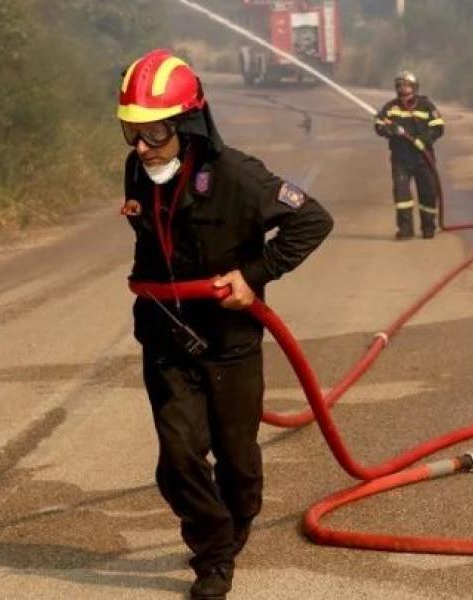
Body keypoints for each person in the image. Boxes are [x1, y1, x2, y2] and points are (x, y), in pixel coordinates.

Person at [118, 49, 333, 599]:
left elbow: (312, 220)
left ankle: (238, 519)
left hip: (230, 342)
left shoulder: (237, 176)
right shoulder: (139, 170)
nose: (142, 146)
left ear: (189, 124)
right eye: (131, 132)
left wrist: (254, 274)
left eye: (155, 132)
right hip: (166, 337)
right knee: (179, 458)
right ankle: (213, 554)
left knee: (237, 460)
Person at [374, 70, 445, 239]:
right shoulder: (391, 107)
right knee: (402, 195)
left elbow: (438, 126)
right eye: (400, 85)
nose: (403, 89)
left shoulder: (426, 105)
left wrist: (424, 140)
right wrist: (390, 129)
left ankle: (428, 227)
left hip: (423, 157)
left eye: (407, 85)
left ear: (414, 87)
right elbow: (379, 125)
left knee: (428, 193)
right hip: (400, 158)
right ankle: (405, 229)